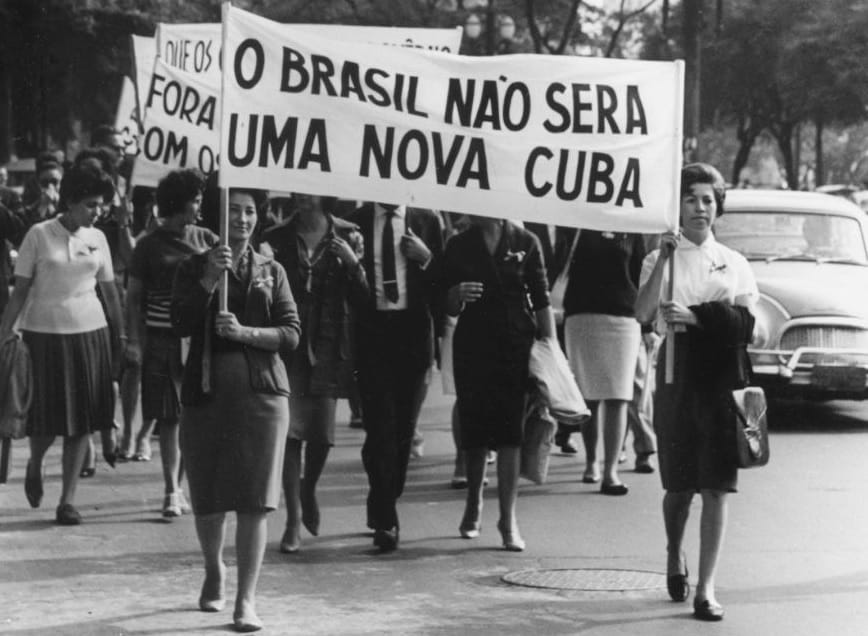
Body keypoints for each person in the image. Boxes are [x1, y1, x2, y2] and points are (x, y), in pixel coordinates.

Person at [171, 187, 300, 632]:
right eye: (234, 211)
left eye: (249, 212)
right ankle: (214, 568)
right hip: (205, 394)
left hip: (263, 395)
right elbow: (180, 322)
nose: (243, 220)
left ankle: (246, 599)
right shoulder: (193, 266)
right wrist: (209, 278)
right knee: (208, 498)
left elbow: (291, 333)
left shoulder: (272, 269)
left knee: (255, 500)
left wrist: (246, 333)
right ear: (216, 217)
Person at [635, 162, 759, 622]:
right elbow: (643, 313)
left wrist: (701, 316)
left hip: (722, 378)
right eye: (691, 199)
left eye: (708, 199)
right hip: (676, 374)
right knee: (681, 486)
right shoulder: (659, 258)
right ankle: (673, 551)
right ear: (677, 205)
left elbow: (751, 325)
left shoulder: (735, 262)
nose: (700, 208)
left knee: (717, 487)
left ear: (718, 206)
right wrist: (664, 258)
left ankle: (706, 587)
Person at [0, 161, 123, 525]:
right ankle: (36, 464)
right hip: (44, 336)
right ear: (69, 201)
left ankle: (67, 500)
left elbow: (111, 293)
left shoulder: (98, 239)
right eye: (90, 204)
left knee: (82, 421)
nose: (98, 212)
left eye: (101, 205)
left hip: (90, 336)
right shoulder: (38, 235)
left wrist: (121, 337)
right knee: (45, 421)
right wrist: (5, 333)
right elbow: (20, 292)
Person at [264, 192, 369, 553]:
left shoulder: (349, 234)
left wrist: (353, 264)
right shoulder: (276, 237)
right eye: (295, 192)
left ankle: (308, 488)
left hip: (328, 344)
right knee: (290, 434)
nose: (301, 198)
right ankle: (293, 521)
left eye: (307, 191)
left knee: (322, 437)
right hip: (289, 344)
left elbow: (364, 297)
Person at [443, 215, 554, 552]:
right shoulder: (459, 243)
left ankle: (508, 519)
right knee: (475, 432)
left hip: (515, 345)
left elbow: (542, 298)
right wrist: (455, 293)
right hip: (473, 344)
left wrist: (550, 349)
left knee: (511, 435)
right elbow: (446, 304)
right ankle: (473, 503)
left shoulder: (525, 241)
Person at [349, 201, 443, 552]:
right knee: (380, 430)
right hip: (372, 335)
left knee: (402, 431)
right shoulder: (355, 221)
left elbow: (441, 281)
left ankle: (383, 497)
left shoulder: (426, 219)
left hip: (412, 335)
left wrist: (427, 257)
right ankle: (386, 519)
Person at [125, 169, 217, 519]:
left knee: (190, 417)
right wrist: (134, 341)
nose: (199, 206)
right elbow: (133, 298)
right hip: (162, 340)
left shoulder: (207, 238)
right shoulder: (148, 245)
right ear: (179, 203)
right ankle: (170, 489)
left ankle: (180, 484)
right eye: (194, 200)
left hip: (197, 340)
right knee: (168, 418)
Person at [562, 229, 646, 494]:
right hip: (582, 314)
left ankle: (611, 470)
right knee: (589, 395)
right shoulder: (576, 222)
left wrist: (649, 324)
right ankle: (591, 462)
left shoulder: (633, 226)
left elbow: (640, 276)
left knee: (619, 395)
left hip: (623, 316)